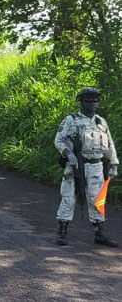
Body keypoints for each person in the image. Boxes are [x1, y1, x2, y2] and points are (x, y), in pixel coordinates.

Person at [55, 87, 118, 246]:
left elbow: (110, 144)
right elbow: (59, 140)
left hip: (96, 166)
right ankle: (62, 232)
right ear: (82, 102)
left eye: (95, 101)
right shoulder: (71, 120)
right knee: (69, 197)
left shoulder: (100, 121)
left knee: (97, 200)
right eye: (89, 101)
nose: (93, 104)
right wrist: (68, 153)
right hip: (75, 165)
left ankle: (99, 233)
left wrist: (114, 164)